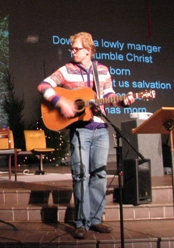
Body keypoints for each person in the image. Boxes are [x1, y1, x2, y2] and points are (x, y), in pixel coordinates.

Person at [37, 31, 135, 239]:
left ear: (88, 50)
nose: (72, 51)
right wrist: (60, 102)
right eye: (71, 48)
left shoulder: (103, 70)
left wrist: (122, 100)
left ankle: (95, 220)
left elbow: (109, 96)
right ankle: (81, 222)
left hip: (100, 129)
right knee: (81, 175)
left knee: (99, 174)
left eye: (76, 48)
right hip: (79, 130)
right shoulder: (67, 70)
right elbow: (43, 85)